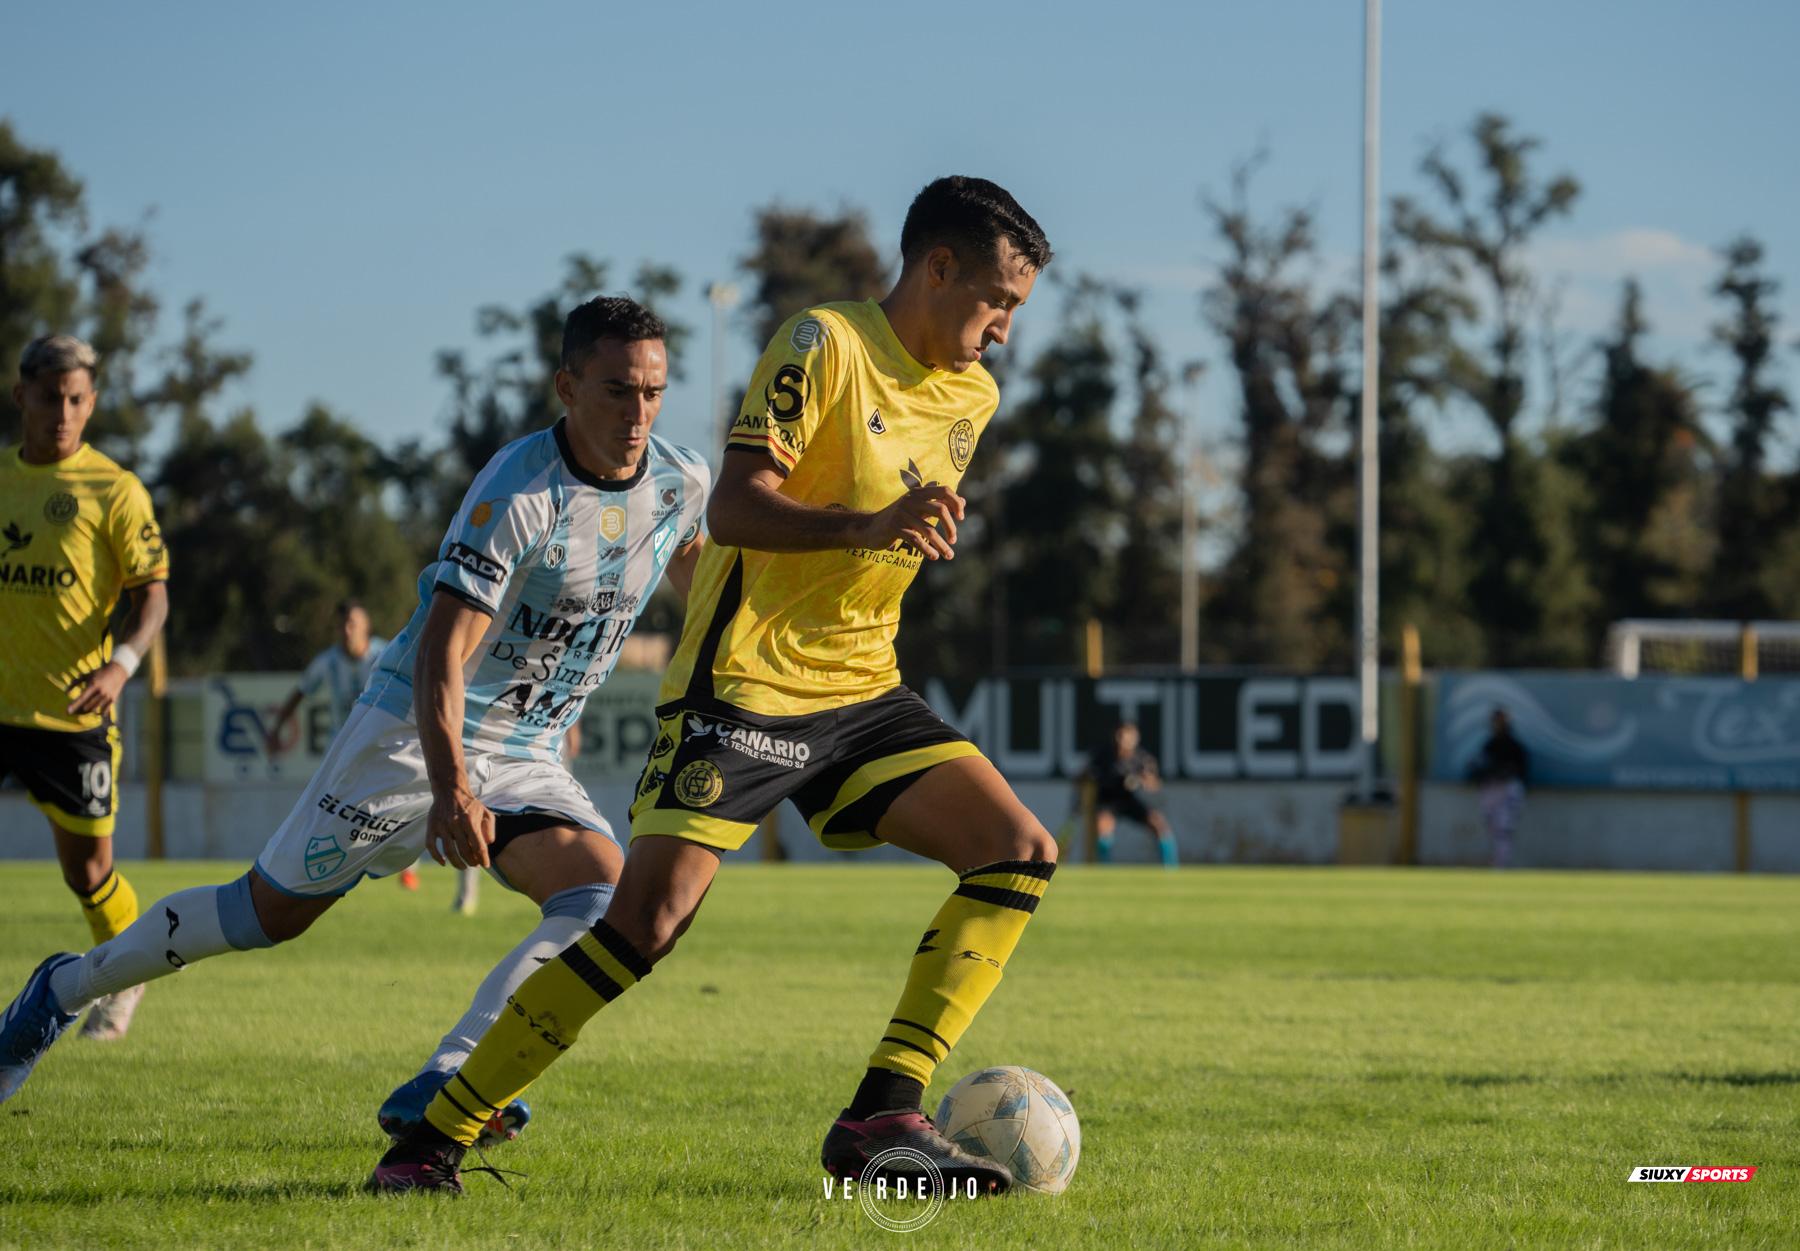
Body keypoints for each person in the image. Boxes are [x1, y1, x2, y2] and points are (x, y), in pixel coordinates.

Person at [374, 175, 1058, 1196]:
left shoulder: (973, 396)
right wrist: (867, 525)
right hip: (743, 689)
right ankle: (432, 1140)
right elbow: (736, 509)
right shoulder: (821, 343)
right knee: (645, 926)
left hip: (863, 688)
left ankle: (882, 1113)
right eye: (997, 301)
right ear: (938, 267)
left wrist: (906, 530)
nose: (1003, 330)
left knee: (1018, 851)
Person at [0, 299, 710, 1129]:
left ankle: (455, 1073)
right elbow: (442, 655)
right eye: (619, 390)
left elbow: (697, 579)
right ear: (566, 386)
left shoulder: (681, 481)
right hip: (410, 735)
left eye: (654, 392)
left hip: (525, 750)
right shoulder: (518, 490)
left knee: (601, 893)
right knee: (261, 915)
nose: (640, 414)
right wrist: (450, 791)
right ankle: (61, 989)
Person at [0, 334, 170, 1043]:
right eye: (49, 398)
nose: (63, 413)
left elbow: (153, 596)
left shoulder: (115, 490)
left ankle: (124, 976)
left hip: (72, 716)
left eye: (76, 400)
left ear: (92, 402)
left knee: (89, 871)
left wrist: (121, 664)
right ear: (22, 399)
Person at [263, 600, 421, 889]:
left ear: (366, 627)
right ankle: (321, 860)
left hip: (385, 741)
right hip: (344, 744)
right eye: (342, 626)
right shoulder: (327, 662)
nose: (347, 631)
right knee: (328, 801)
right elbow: (300, 691)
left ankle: (407, 867)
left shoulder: (386, 652)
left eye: (353, 625)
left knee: (401, 798)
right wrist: (276, 729)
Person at [1077, 722, 1177, 868]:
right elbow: (1081, 776)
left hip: (1129, 800)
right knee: (1102, 829)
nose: (1123, 740)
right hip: (1107, 801)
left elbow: (1154, 783)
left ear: (1136, 738)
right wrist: (1085, 785)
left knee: (1159, 824)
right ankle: (1105, 870)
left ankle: (1171, 869)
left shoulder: (1142, 757)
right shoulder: (1103, 754)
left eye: (1128, 736)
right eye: (1120, 736)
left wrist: (1146, 780)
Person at [1467, 707, 1529, 869]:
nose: (1498, 724)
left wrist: (1504, 772)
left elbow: (1521, 772)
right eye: (1495, 720)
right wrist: (1489, 774)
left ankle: (1500, 865)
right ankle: (1498, 863)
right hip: (1491, 790)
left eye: (1501, 720)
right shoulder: (1489, 745)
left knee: (1503, 828)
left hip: (1509, 790)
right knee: (1493, 828)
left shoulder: (1515, 747)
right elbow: (1475, 770)